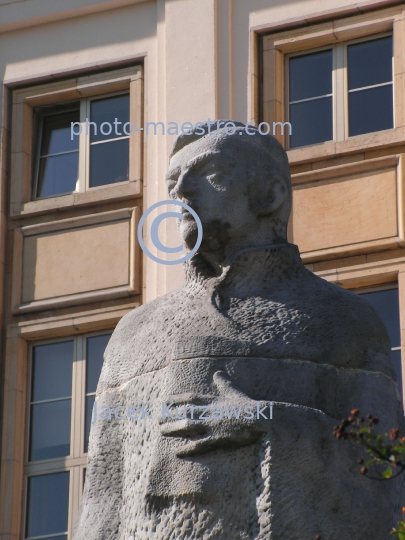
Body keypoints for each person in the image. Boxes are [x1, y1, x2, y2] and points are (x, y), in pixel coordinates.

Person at [73, 122, 404, 540]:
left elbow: (383, 477)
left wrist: (266, 421)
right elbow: (103, 499)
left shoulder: (344, 321)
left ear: (270, 195)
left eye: (209, 174)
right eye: (174, 182)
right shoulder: (133, 334)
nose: (182, 193)